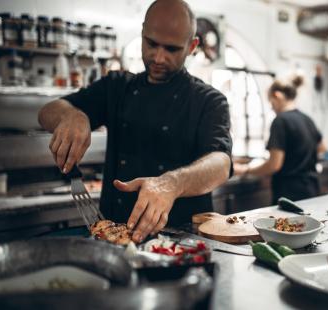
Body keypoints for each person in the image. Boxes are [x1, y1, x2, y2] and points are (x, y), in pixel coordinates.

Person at [38, 0, 232, 243]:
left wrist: (172, 183)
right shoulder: (117, 87)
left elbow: (221, 163)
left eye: (171, 49)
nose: (158, 57)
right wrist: (72, 115)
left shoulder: (209, 101)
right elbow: (48, 110)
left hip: (181, 244)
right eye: (151, 44)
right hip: (112, 239)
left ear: (191, 46)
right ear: (142, 34)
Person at [234, 76, 325, 204]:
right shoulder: (307, 119)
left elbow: (274, 165)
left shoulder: (280, 121)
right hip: (311, 189)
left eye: (271, 103)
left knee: (289, 225)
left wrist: (245, 170)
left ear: (277, 96)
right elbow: (322, 148)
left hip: (289, 195)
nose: (272, 108)